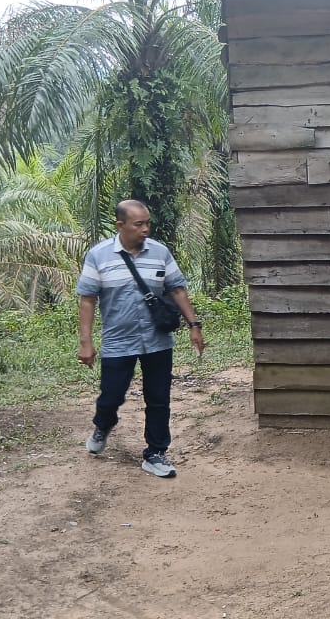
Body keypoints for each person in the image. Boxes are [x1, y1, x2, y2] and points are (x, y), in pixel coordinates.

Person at [76, 200, 205, 478]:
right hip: (118, 341)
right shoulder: (98, 256)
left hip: (157, 340)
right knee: (111, 396)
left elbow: (177, 289)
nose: (146, 229)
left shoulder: (160, 252)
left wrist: (194, 325)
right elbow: (87, 300)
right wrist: (86, 342)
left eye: (148, 223)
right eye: (139, 224)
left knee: (159, 398)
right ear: (120, 225)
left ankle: (156, 453)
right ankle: (103, 424)